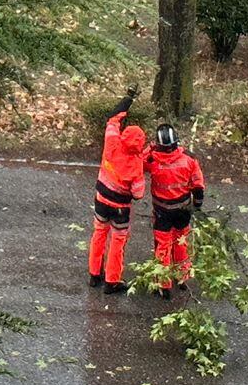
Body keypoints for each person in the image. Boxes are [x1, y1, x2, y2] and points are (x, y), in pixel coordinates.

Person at [87, 89, 147, 292]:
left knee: (99, 233)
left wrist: (128, 99)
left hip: (101, 200)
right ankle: (112, 281)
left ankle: (94, 274)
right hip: (120, 209)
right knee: (118, 241)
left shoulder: (112, 142)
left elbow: (112, 120)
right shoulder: (137, 164)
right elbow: (138, 194)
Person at [147, 124, 205, 297]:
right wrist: (197, 205)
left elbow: (137, 162)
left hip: (162, 211)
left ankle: (163, 285)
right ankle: (183, 278)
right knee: (181, 243)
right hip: (183, 209)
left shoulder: (152, 160)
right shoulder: (189, 158)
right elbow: (198, 185)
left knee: (162, 246)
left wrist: (148, 148)